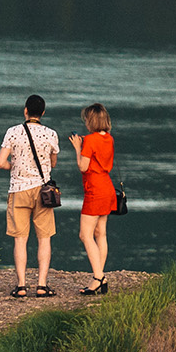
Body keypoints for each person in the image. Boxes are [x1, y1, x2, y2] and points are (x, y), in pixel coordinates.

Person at [0, 94, 59, 297]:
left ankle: (21, 286)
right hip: (43, 192)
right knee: (44, 238)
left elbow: (0, 163)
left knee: (20, 239)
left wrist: (14, 168)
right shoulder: (51, 134)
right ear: (42, 113)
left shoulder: (13, 132)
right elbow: (53, 163)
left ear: (25, 111)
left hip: (18, 190)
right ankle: (42, 285)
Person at [67, 103, 116, 295]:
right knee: (100, 233)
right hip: (107, 187)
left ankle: (98, 277)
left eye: (86, 119)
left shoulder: (90, 140)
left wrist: (78, 148)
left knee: (85, 235)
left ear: (91, 121)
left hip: (94, 189)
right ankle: (99, 275)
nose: (85, 122)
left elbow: (83, 167)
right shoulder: (109, 139)